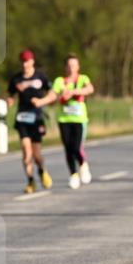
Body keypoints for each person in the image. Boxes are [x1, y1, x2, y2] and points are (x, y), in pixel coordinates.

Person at [6, 49, 54, 193]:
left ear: (32, 61)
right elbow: (11, 96)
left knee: (36, 154)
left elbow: (52, 95)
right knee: (26, 152)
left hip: (37, 118)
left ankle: (42, 170)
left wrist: (41, 101)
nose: (25, 64)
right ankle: (30, 181)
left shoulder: (40, 76)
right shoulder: (16, 79)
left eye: (27, 61)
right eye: (22, 61)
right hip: (22, 117)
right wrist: (9, 102)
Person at [50, 53, 95, 189]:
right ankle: (73, 174)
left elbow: (90, 89)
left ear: (78, 66)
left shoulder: (83, 79)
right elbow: (52, 95)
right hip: (64, 119)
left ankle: (83, 164)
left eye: (74, 65)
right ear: (65, 67)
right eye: (69, 66)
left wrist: (74, 92)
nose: (71, 68)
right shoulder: (59, 81)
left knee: (76, 147)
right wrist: (54, 98)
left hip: (79, 120)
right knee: (68, 148)